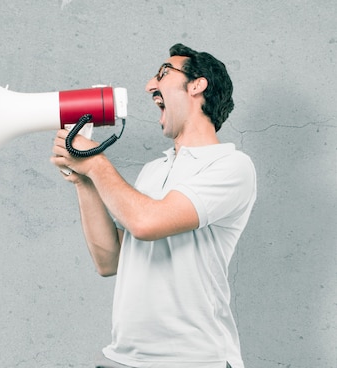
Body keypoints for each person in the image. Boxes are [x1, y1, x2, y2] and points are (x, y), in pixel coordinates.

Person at [50, 44, 257, 368]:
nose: (149, 85)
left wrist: (97, 164)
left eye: (163, 73)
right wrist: (84, 180)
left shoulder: (232, 166)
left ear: (197, 85)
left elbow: (147, 223)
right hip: (126, 360)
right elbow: (110, 261)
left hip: (197, 360)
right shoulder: (153, 171)